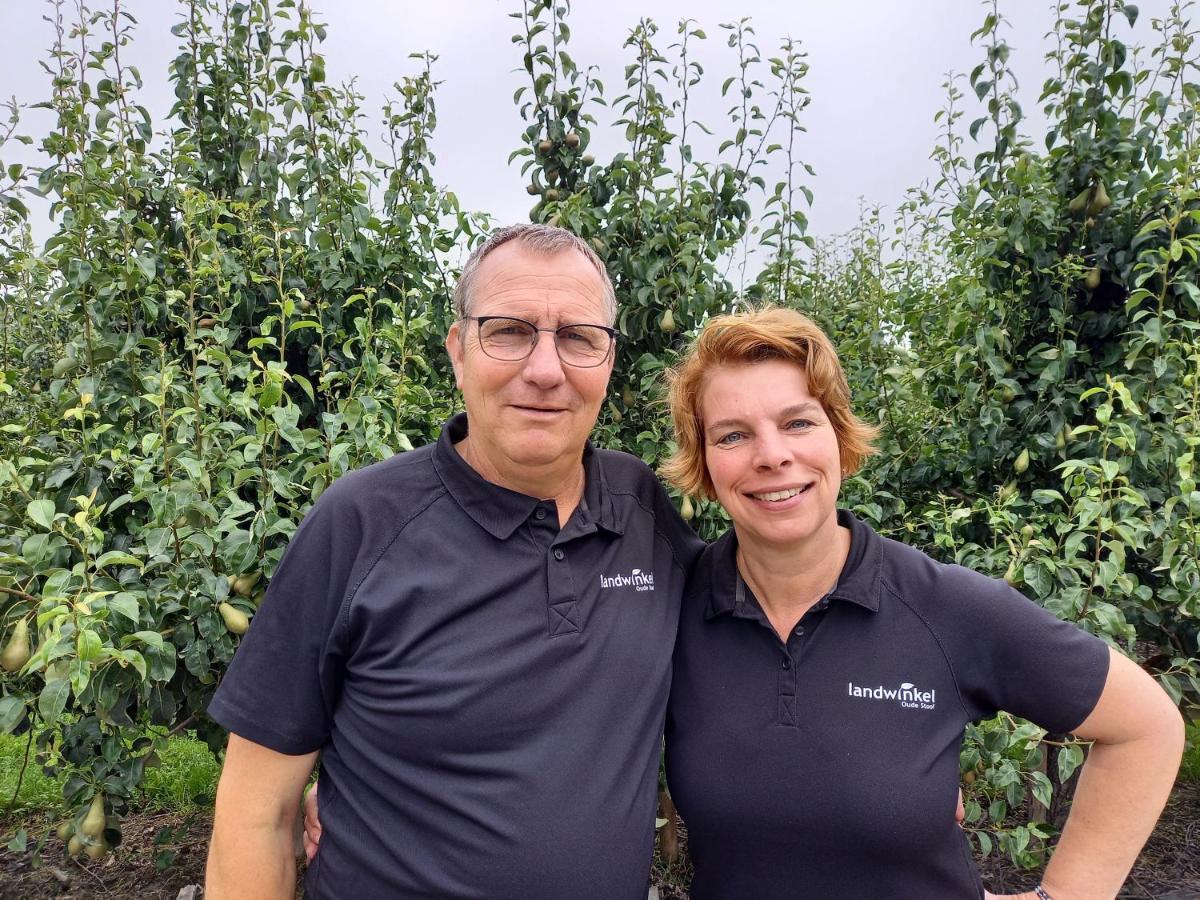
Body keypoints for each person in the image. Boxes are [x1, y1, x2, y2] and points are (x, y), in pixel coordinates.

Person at [204, 224, 702, 899]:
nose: (546, 369)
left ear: (609, 361)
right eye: (510, 330)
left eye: (579, 337)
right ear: (457, 350)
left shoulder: (642, 510)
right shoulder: (359, 524)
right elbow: (256, 812)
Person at [659, 306, 1184, 899]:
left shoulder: (947, 608)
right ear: (703, 461)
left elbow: (1147, 727)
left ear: (839, 433)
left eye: (799, 422)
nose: (772, 454)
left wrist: (1061, 896)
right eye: (733, 434)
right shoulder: (670, 606)